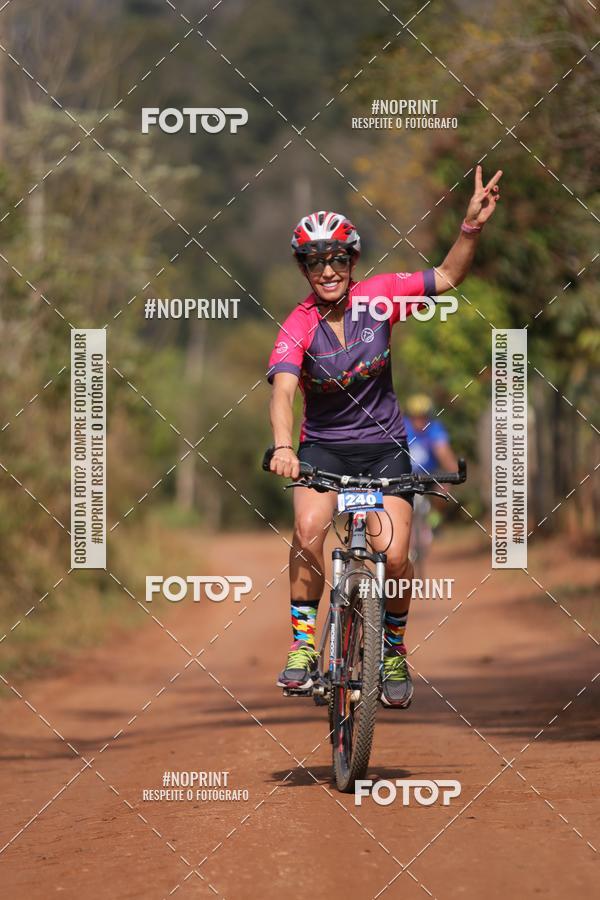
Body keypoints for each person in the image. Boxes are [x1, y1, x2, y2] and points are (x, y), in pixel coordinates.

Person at [267, 165, 502, 708]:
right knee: (307, 530)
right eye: (315, 261)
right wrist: (284, 448)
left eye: (337, 258)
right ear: (305, 269)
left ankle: (392, 648)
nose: (327, 270)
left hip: (383, 449)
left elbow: (447, 277)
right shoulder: (297, 325)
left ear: (352, 261)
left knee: (394, 555)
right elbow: (282, 393)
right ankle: (304, 646)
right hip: (322, 448)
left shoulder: (379, 299)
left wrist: (469, 229)